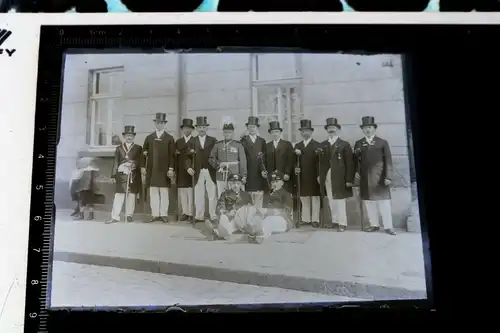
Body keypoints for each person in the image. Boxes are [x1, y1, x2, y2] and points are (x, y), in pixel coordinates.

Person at [353, 116, 396, 236]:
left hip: (380, 177)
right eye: (365, 128)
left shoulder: (382, 142)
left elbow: (388, 160)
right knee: (369, 202)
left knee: (384, 203)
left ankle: (388, 227)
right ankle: (374, 225)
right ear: (362, 129)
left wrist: (388, 177)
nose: (368, 130)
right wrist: (357, 172)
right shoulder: (359, 143)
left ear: (374, 128)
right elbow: (355, 161)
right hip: (365, 178)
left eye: (370, 127)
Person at [318, 118, 355, 232]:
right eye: (329, 128)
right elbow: (320, 162)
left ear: (338, 129)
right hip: (327, 175)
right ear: (327, 130)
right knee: (330, 198)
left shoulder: (344, 144)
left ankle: (342, 223)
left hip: (340, 176)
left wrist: (349, 179)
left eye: (333, 128)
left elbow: (350, 163)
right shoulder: (323, 145)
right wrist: (320, 175)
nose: (331, 130)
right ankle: (335, 221)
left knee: (340, 199)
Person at [142, 113, 176, 223]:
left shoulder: (169, 138)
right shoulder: (149, 138)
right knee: (153, 192)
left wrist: (171, 168)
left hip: (164, 169)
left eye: (161, 123)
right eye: (158, 122)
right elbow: (143, 152)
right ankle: (155, 214)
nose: (159, 124)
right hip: (152, 170)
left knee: (164, 192)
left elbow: (172, 155)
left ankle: (163, 214)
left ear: (164, 124)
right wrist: (143, 166)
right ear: (155, 123)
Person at [106, 126, 143, 224]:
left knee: (131, 195)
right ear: (124, 136)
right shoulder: (119, 148)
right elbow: (116, 162)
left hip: (133, 174)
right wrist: (113, 176)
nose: (129, 137)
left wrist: (134, 164)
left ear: (133, 136)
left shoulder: (138, 148)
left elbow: (141, 160)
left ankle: (129, 215)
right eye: (127, 135)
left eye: (131, 135)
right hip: (121, 174)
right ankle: (115, 216)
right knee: (119, 194)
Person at [204, 174, 256, 241]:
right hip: (230, 219)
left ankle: (217, 232)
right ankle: (217, 232)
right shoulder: (225, 194)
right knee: (225, 220)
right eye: (233, 183)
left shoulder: (246, 195)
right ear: (230, 184)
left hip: (242, 220)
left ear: (241, 185)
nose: (236, 185)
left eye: (238, 183)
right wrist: (227, 213)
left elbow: (252, 208)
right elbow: (219, 208)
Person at [247, 172, 294, 244]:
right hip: (269, 219)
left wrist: (272, 212)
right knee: (254, 213)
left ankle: (260, 237)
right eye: (272, 182)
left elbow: (287, 212)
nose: (274, 184)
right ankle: (255, 232)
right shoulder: (267, 194)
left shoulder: (286, 194)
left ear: (282, 183)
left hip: (283, 221)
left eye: (276, 181)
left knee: (269, 220)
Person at [187, 117, 218, 223]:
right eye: (199, 127)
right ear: (196, 129)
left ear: (207, 128)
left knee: (212, 193)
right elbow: (187, 157)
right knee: (198, 193)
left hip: (210, 170)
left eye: (204, 127)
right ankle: (199, 215)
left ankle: (213, 215)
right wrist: (188, 167)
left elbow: (217, 155)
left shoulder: (213, 140)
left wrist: (216, 166)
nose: (202, 129)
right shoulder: (192, 141)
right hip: (197, 170)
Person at [209, 117, 247, 199]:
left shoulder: (238, 145)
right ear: (223, 133)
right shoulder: (218, 145)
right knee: (222, 196)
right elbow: (211, 158)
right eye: (225, 132)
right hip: (221, 175)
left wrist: (243, 176)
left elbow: (243, 161)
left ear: (233, 133)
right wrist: (219, 164)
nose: (227, 134)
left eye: (229, 132)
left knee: (235, 196)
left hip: (235, 175)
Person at [294, 119, 321, 227]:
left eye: (307, 131)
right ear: (301, 133)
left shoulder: (317, 145)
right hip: (303, 176)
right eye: (303, 131)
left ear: (311, 132)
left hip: (314, 176)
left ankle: (315, 220)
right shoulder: (297, 146)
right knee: (304, 198)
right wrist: (296, 168)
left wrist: (320, 175)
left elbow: (320, 162)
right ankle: (305, 219)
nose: (305, 133)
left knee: (315, 198)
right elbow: (293, 161)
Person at [240, 116, 267, 210]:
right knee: (249, 192)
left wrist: (263, 169)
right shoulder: (243, 141)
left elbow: (264, 157)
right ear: (247, 128)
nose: (252, 129)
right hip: (248, 170)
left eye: (254, 127)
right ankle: (249, 214)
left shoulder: (262, 141)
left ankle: (258, 212)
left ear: (257, 128)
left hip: (258, 170)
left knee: (259, 193)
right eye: (250, 127)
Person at [264, 121, 294, 192]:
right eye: (273, 132)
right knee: (273, 197)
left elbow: (291, 160)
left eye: (277, 131)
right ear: (270, 133)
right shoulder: (267, 146)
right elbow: (264, 160)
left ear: (280, 132)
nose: (275, 134)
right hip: (271, 177)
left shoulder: (287, 144)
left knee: (284, 195)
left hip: (283, 176)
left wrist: (287, 173)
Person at [175, 118, 195, 222]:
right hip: (181, 170)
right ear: (182, 129)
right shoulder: (178, 142)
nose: (187, 130)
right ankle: (185, 212)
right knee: (182, 192)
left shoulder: (194, 141)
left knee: (190, 192)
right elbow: (175, 156)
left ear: (192, 130)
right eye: (185, 128)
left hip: (191, 170)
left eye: (189, 128)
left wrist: (191, 167)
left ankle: (191, 213)